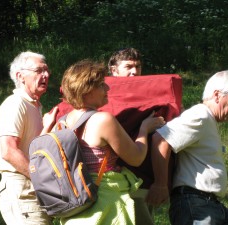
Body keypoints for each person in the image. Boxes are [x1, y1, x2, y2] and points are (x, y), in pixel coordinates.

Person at [58, 59, 165, 225]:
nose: (107, 88)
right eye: (101, 85)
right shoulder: (102, 120)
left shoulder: (62, 122)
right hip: (106, 203)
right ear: (86, 91)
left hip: (76, 207)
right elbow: (136, 158)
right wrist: (144, 129)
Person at [148, 70, 228, 224]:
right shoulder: (201, 115)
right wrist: (160, 184)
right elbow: (161, 139)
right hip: (196, 205)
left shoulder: (208, 119)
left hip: (207, 204)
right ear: (217, 95)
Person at [0, 51, 58, 225]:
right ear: (20, 76)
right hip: (22, 188)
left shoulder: (35, 106)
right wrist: (40, 178)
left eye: (47, 71)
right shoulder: (15, 104)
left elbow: (35, 149)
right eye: (39, 70)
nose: (46, 75)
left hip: (34, 189)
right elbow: (8, 150)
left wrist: (48, 127)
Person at [108, 47, 155, 225]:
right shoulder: (103, 96)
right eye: (128, 66)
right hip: (114, 180)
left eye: (138, 66)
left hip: (143, 178)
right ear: (114, 70)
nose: (134, 72)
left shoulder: (150, 94)